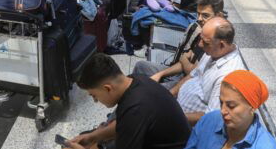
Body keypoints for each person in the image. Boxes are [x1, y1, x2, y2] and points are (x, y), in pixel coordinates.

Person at [63, 54, 191, 149]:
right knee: (88, 138)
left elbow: (131, 119)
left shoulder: (136, 108)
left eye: (94, 95)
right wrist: (94, 136)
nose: (96, 101)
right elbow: (125, 122)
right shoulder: (135, 80)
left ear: (107, 88)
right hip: (162, 139)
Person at [133, 0, 226, 90]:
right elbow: (184, 60)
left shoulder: (218, 43)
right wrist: (160, 74)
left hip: (188, 83)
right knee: (141, 66)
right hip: (179, 72)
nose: (199, 19)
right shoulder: (198, 29)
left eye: (205, 15)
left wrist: (184, 60)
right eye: (198, 14)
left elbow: (193, 74)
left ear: (219, 16)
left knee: (149, 90)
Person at [184, 70, 276, 149]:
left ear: (252, 107)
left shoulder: (265, 146)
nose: (223, 111)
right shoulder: (209, 120)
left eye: (231, 106)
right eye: (221, 103)